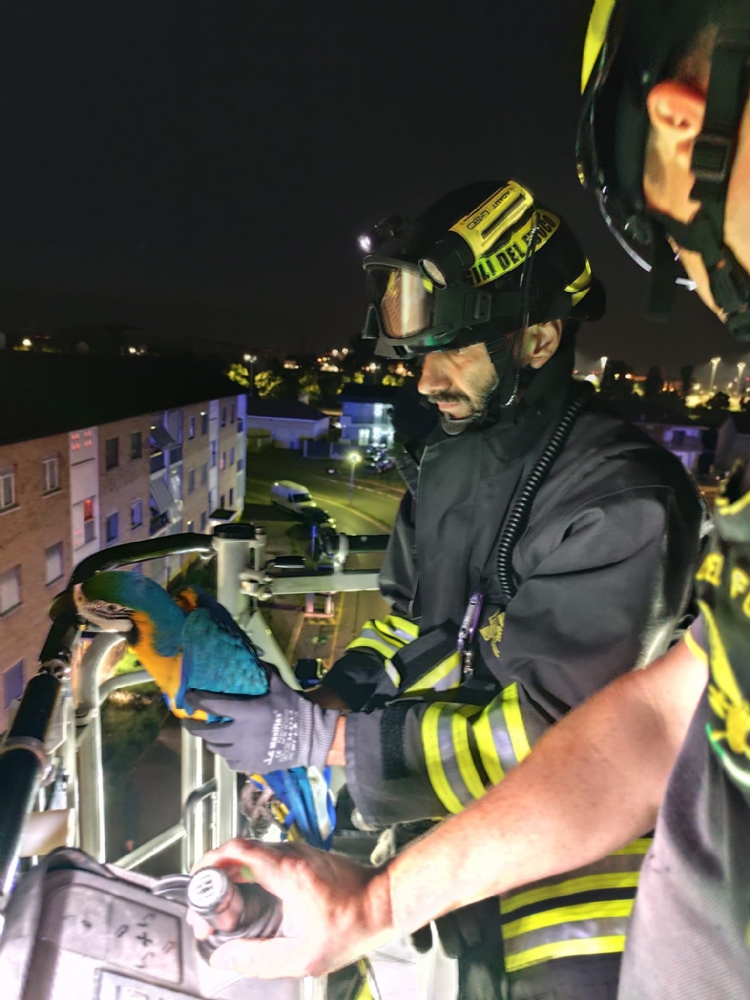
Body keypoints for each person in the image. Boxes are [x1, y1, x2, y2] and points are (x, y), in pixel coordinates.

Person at [186, 3, 750, 999]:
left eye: (452, 347)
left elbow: (554, 731)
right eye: (416, 354)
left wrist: (335, 746)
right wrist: (330, 698)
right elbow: (413, 622)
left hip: (565, 938)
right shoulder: (450, 468)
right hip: (441, 882)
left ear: (538, 340)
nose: (424, 379)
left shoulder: (621, 494)